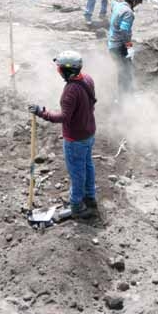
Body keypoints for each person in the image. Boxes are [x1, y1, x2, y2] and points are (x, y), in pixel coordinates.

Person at [30, 51, 99, 219]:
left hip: (75, 138)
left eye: (59, 68)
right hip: (89, 132)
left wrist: (41, 112)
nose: (58, 70)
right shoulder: (87, 79)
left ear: (67, 71)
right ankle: (90, 198)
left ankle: (77, 206)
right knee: (87, 166)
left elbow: (63, 117)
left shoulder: (70, 90)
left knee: (77, 172)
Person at [108, 0, 142, 95]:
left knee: (121, 71)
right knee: (125, 73)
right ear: (134, 1)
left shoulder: (118, 6)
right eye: (137, 4)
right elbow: (124, 30)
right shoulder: (128, 13)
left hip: (111, 45)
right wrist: (129, 46)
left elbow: (112, 3)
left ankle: (123, 95)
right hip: (120, 46)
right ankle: (125, 98)